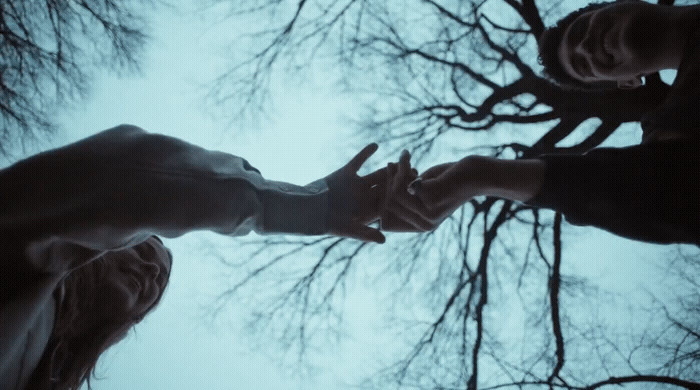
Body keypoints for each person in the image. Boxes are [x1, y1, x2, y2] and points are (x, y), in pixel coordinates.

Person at [0, 124, 390, 389]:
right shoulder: (23, 245)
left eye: (158, 284)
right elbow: (122, 174)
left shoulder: (44, 366)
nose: (153, 272)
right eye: (144, 249)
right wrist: (300, 207)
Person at [381, 1, 700, 246]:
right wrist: (479, 174)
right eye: (583, 66)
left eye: (580, 30)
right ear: (628, 82)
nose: (586, 47)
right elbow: (662, 191)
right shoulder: (680, 124)